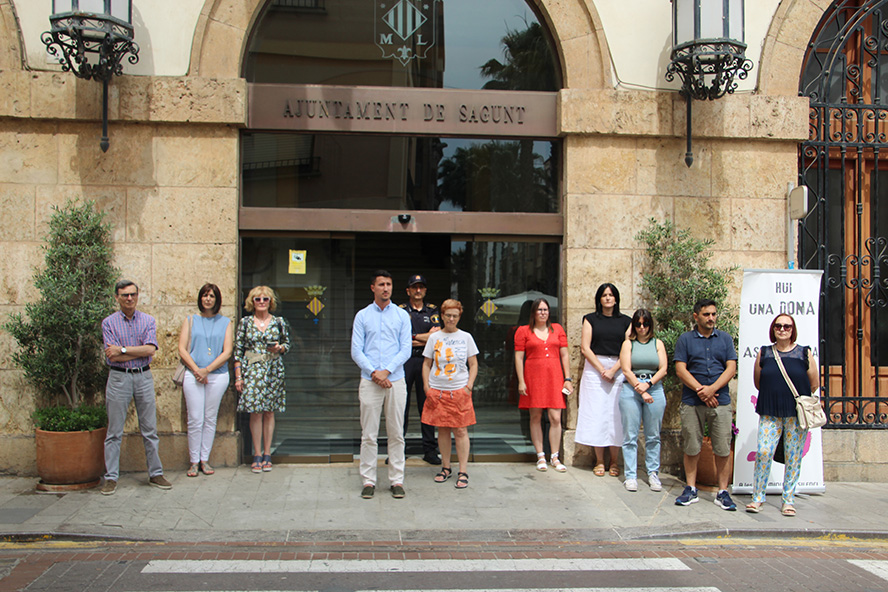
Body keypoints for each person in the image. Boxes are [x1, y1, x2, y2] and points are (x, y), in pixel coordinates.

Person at [100, 280, 170, 495]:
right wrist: (132, 351)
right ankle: (111, 477)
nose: (129, 298)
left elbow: (150, 350)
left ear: (137, 296)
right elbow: (111, 354)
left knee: (149, 429)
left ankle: (155, 473)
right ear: (117, 297)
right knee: (114, 431)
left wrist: (122, 350)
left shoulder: (147, 320)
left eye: (132, 294)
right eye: (124, 295)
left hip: (143, 377)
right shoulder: (109, 323)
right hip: (119, 378)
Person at [746, 313, 819, 517]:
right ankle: (757, 497)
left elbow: (814, 383)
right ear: (773, 329)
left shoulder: (804, 353)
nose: (783, 329)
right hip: (770, 412)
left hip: (795, 414)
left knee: (793, 456)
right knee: (763, 452)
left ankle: (788, 500)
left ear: (793, 330)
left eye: (787, 326)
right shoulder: (764, 353)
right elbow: (758, 382)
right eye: (778, 326)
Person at [351, 270, 412, 499]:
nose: (385, 288)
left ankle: (397, 480)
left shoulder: (401, 316)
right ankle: (368, 480)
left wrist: (386, 371)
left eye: (388, 284)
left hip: (395, 380)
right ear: (372, 288)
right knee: (369, 434)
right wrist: (374, 373)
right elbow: (356, 350)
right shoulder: (363, 316)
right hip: (370, 381)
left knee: (396, 433)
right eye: (381, 284)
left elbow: (405, 349)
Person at [673, 298, 738, 510]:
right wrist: (701, 390)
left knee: (722, 447)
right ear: (696, 317)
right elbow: (681, 370)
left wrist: (712, 389)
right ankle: (691, 489)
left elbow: (731, 368)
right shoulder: (685, 340)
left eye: (713, 314)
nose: (711, 318)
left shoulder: (725, 339)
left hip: (720, 401)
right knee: (692, 445)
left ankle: (722, 491)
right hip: (692, 401)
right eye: (706, 314)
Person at [575, 283, 632, 477]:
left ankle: (615, 461)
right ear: (599, 299)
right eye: (604, 295)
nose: (608, 298)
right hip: (594, 369)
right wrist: (602, 370)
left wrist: (615, 369)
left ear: (616, 299)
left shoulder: (626, 321)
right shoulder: (590, 319)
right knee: (596, 413)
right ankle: (599, 460)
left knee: (617, 414)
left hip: (619, 367)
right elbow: (585, 347)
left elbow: (628, 347)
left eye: (611, 295)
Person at [421, 299, 478, 489]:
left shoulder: (466, 337)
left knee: (461, 430)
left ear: (459, 316)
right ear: (442, 316)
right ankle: (446, 467)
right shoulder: (434, 338)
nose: (451, 319)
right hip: (438, 390)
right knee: (443, 429)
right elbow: (427, 364)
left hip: (460, 390)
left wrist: (468, 386)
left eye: (455, 315)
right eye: (448, 315)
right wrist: (427, 388)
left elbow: (474, 364)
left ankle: (463, 470)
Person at [178, 283, 233, 478]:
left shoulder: (226, 322)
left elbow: (227, 351)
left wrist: (207, 370)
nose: (208, 299)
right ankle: (193, 462)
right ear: (200, 298)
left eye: (212, 296)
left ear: (217, 299)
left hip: (217, 375)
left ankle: (204, 459)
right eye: (205, 295)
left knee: (210, 418)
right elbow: (182, 349)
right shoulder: (190, 320)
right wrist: (197, 370)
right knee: (195, 419)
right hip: (193, 375)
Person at [234, 286, 290, 474]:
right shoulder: (245, 322)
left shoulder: (278, 322)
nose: (261, 302)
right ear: (252, 302)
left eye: (265, 299)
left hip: (273, 369)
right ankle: (256, 454)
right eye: (257, 299)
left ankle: (268, 454)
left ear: (270, 302)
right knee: (255, 412)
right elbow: (238, 351)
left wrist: (279, 348)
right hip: (253, 370)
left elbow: (287, 345)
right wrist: (238, 376)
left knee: (269, 412)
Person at [514, 298, 573, 472]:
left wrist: (567, 378)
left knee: (555, 417)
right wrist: (521, 381)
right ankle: (540, 455)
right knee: (535, 416)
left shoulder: (558, 329)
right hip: (533, 377)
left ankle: (554, 455)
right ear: (533, 312)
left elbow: (564, 355)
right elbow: (518, 357)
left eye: (545, 309)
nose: (543, 312)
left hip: (554, 377)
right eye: (539, 310)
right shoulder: (523, 331)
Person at [618, 309, 668, 492]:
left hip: (653, 387)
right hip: (631, 389)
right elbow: (626, 369)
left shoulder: (657, 343)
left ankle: (653, 472)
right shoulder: (628, 344)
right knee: (630, 435)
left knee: (653, 435)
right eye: (638, 324)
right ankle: (630, 475)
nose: (641, 328)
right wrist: (640, 387)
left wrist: (648, 385)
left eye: (645, 324)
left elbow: (663, 368)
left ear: (650, 325)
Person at [399, 274, 442, 465]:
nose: (418, 290)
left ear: (425, 290)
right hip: (405, 361)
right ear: (408, 291)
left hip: (426, 362)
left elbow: (437, 337)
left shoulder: (432, 310)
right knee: (401, 406)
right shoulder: (399, 311)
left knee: (428, 405)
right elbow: (399, 338)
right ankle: (397, 450)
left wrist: (412, 336)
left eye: (421, 287)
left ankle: (430, 450)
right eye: (414, 287)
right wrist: (424, 337)